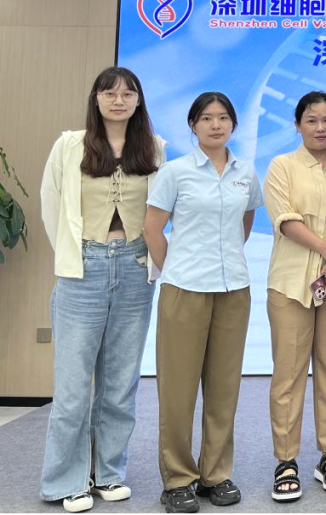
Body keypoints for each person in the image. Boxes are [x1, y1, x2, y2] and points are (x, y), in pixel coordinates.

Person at [39, 67, 166, 513]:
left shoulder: (154, 147)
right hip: (84, 268)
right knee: (73, 387)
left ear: (138, 101)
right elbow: (51, 205)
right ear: (96, 98)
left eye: (128, 93)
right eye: (109, 93)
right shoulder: (69, 145)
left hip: (134, 268)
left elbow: (160, 212)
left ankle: (107, 472)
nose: (118, 100)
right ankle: (65, 480)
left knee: (120, 384)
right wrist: (74, 258)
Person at [143, 92, 264, 515]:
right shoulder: (175, 172)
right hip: (184, 289)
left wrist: (223, 257)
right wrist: (175, 268)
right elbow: (152, 228)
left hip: (234, 290)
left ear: (233, 124)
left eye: (224, 118)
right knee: (178, 390)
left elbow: (246, 221)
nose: (216, 125)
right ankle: (178, 479)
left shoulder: (245, 172)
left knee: (224, 388)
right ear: (193, 125)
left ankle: (215, 474)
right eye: (207, 118)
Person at [263, 92, 326, 502]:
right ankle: (286, 460)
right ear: (298, 124)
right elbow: (285, 220)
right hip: (290, 282)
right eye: (312, 120)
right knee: (288, 372)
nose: (321, 127)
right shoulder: (281, 166)